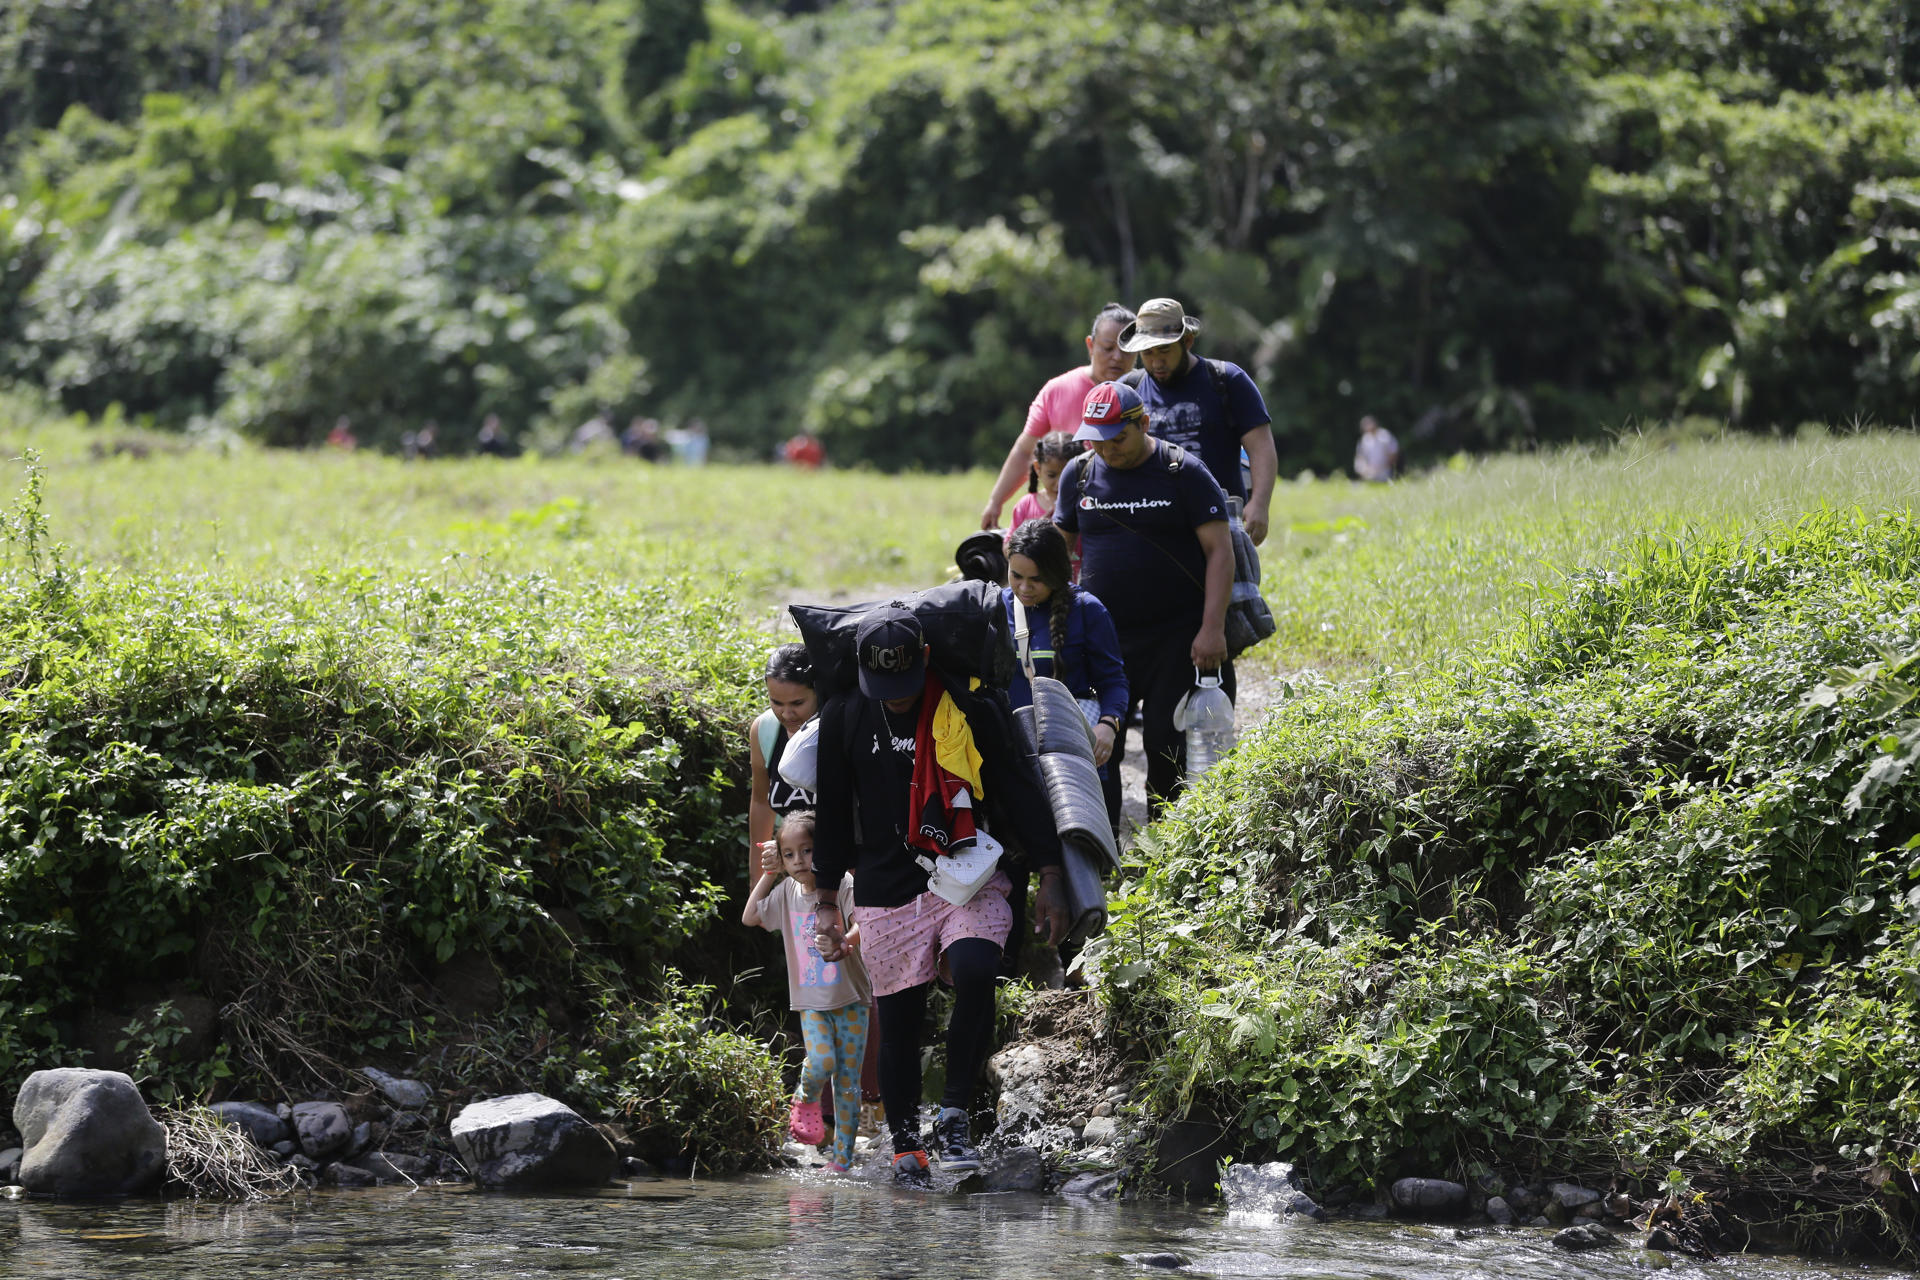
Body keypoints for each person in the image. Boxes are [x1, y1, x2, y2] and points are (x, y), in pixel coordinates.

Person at [811, 606, 1069, 1187]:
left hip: (965, 870)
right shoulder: (845, 714)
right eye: (884, 689)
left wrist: (1051, 870)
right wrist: (827, 898)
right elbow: (831, 812)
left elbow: (1016, 787)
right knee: (899, 1020)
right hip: (884, 883)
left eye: (904, 686)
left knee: (977, 968)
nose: (896, 699)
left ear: (925, 661)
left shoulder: (969, 710)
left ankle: (954, 1113)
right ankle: (906, 1147)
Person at [1054, 381, 1234, 819]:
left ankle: (1165, 854)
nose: (1108, 450)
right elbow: (1057, 553)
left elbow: (1220, 552)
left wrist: (1212, 629)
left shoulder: (1183, 471)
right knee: (1097, 747)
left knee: (1165, 744)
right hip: (1101, 641)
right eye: (1098, 440)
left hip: (1176, 638)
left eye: (1118, 438)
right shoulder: (1078, 474)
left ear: (1144, 423)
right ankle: (1105, 855)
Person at [741, 810, 872, 1174]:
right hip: (810, 1003)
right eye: (789, 854)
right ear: (780, 860)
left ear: (824, 850)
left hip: (853, 1000)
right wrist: (768, 874)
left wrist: (846, 941)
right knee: (821, 1062)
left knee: (848, 1082)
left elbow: (865, 919)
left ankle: (842, 1160)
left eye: (808, 850)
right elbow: (750, 917)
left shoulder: (843, 885)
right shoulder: (785, 892)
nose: (799, 861)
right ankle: (804, 1097)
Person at [1117, 297, 1279, 545]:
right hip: (1150, 525)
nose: (1156, 362)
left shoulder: (1227, 380)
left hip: (1221, 521)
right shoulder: (1128, 390)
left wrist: (1260, 503)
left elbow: (1261, 447)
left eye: (1164, 351)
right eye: (1147, 353)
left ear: (1188, 342)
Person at [1002, 519, 1128, 830]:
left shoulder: (1088, 610)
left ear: (1058, 573)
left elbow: (1113, 681)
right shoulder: (995, 607)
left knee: (1085, 849)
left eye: (1037, 579)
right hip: (1017, 754)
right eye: (1016, 576)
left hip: (1075, 754)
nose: (1024, 588)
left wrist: (1108, 726)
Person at [978, 303, 1137, 530]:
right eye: (1108, 348)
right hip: (1067, 518)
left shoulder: (1145, 392)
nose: (1118, 357)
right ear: (1090, 346)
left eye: (1127, 349)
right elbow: (1026, 452)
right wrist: (995, 501)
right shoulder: (1057, 390)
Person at [748, 644, 819, 887]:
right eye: (776, 702)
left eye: (798, 703)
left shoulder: (839, 727)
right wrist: (757, 881)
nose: (787, 714)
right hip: (798, 878)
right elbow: (760, 803)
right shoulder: (764, 730)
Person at [1355, 415, 1401, 482]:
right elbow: (1360, 457)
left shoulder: (1385, 435)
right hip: (1369, 472)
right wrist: (1363, 469)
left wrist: (1381, 468)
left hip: (1385, 471)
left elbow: (1394, 455)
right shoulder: (1364, 439)